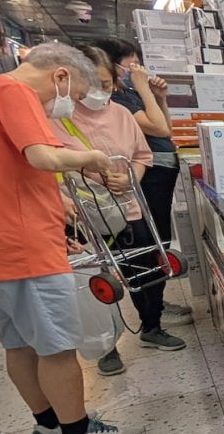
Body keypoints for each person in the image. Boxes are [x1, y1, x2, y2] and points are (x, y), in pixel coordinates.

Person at [0, 42, 146, 434]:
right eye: (67, 95)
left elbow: (5, 170)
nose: (62, 106)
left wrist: (55, 206)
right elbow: (41, 156)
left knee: (19, 345)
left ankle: (48, 424)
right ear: (61, 77)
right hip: (21, 247)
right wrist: (93, 157)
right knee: (56, 347)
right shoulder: (14, 92)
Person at [57, 47, 186, 376]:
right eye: (94, 83)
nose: (101, 91)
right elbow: (50, 167)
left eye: (107, 83)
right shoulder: (59, 118)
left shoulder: (121, 114)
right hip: (86, 217)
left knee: (150, 267)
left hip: (129, 206)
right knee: (99, 279)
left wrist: (131, 179)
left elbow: (143, 155)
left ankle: (152, 327)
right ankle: (106, 346)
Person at [91, 37, 193, 326]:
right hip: (144, 179)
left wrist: (160, 98)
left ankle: (156, 305)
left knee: (158, 242)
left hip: (158, 172)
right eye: (131, 64)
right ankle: (151, 318)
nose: (138, 69)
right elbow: (158, 127)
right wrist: (144, 87)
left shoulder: (130, 95)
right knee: (145, 247)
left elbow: (166, 131)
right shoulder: (120, 97)